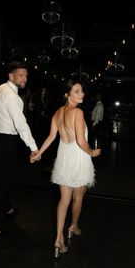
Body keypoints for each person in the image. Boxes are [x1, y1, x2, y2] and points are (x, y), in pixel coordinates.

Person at [30, 80, 101, 257]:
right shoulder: (77, 112)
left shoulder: (57, 113)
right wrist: (92, 152)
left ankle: (58, 238)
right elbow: (81, 141)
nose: (81, 94)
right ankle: (73, 226)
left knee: (64, 199)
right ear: (67, 95)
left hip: (63, 157)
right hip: (78, 157)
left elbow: (51, 137)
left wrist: (38, 153)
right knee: (78, 197)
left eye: (82, 90)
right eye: (76, 91)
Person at [0, 61, 39, 236]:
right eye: (21, 75)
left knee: (1, 177)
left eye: (26, 75)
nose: (25, 78)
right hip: (5, 143)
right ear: (11, 76)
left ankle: (5, 207)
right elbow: (22, 125)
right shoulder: (13, 97)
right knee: (0, 182)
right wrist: (34, 148)